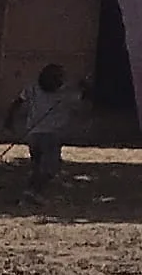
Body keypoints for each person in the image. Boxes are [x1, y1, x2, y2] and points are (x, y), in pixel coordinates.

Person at [7, 60, 84, 196]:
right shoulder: (65, 93)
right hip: (51, 136)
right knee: (50, 169)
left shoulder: (32, 88)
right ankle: (33, 191)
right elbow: (83, 97)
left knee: (37, 166)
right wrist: (84, 86)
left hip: (33, 134)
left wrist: (9, 119)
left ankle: (31, 191)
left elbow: (18, 102)